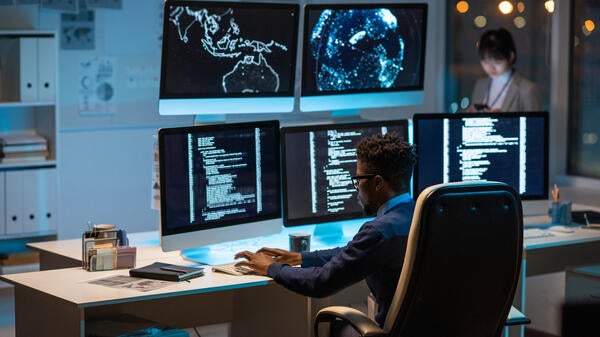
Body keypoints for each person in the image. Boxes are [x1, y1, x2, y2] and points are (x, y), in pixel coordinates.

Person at [234, 133, 417, 336]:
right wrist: (302, 257)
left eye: (357, 180)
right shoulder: (423, 216)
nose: (356, 189)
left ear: (377, 182)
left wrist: (272, 268)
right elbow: (355, 252)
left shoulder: (378, 231)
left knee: (335, 329)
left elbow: (320, 283)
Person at [468, 27, 541, 112]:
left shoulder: (527, 89)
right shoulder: (480, 85)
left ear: (510, 57)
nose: (491, 68)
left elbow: (535, 124)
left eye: (497, 62)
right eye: (486, 62)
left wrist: (503, 121)